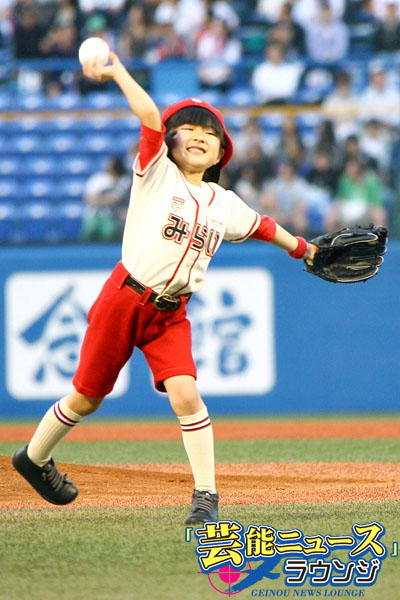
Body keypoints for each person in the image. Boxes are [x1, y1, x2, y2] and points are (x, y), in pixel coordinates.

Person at [11, 51, 317, 524]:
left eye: (210, 133)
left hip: (171, 314)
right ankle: (33, 458)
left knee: (187, 395)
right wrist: (116, 71)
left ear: (221, 153)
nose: (199, 136)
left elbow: (262, 226)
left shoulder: (223, 202)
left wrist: (305, 249)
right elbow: (151, 117)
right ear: (169, 142)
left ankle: (206, 496)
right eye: (187, 128)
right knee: (86, 398)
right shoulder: (156, 173)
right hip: (123, 298)